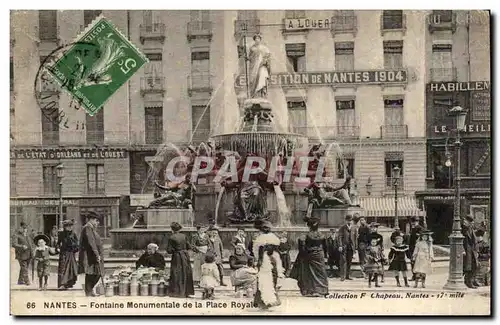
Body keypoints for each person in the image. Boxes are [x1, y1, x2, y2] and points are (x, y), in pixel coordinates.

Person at [290, 216, 329, 297]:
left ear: (309, 226)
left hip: (310, 255)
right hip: (319, 255)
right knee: (321, 273)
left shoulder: (307, 235)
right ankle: (322, 289)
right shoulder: (322, 235)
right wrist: (325, 255)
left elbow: (302, 247)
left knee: (309, 274)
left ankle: (310, 290)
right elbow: (326, 247)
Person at [252, 220, 284, 309]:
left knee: (263, 279)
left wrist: (259, 261)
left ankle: (263, 301)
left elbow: (259, 251)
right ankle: (271, 299)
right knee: (272, 278)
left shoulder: (260, 238)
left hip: (265, 260)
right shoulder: (274, 237)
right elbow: (278, 249)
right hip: (274, 259)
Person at [78, 212, 104, 297]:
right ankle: (88, 291)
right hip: (89, 255)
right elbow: (91, 242)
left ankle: (89, 290)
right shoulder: (87, 228)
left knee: (94, 273)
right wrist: (96, 254)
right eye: (96, 220)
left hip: (91, 254)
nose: (98, 222)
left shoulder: (91, 228)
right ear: (91, 220)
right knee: (93, 273)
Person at [166, 222, 195, 298]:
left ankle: (177, 292)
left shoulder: (171, 237)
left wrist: (174, 250)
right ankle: (186, 292)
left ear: (172, 229)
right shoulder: (184, 236)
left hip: (177, 256)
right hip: (185, 256)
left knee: (176, 273)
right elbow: (189, 246)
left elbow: (169, 250)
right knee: (186, 272)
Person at [57, 219, 79, 290]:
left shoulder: (74, 234)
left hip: (71, 253)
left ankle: (69, 283)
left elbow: (77, 244)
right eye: (68, 226)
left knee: (71, 268)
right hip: (64, 253)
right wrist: (58, 248)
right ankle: (62, 284)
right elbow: (58, 243)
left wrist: (75, 247)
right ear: (65, 227)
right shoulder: (61, 234)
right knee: (63, 268)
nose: (69, 227)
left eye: (71, 226)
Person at [248, 33, 271, 98]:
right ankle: (254, 95)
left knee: (262, 78)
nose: (257, 40)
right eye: (256, 39)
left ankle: (262, 95)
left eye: (258, 38)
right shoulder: (252, 48)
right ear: (254, 40)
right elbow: (250, 58)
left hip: (262, 66)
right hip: (254, 67)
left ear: (260, 40)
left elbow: (268, 57)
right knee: (253, 80)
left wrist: (265, 61)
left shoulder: (264, 48)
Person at [462, 215, 479, 289]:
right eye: (466, 221)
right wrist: (462, 250)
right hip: (466, 250)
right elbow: (460, 240)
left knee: (475, 265)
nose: (466, 223)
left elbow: (474, 240)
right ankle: (468, 281)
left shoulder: (471, 228)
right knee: (467, 267)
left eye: (469, 222)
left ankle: (472, 280)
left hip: (472, 250)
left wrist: (476, 250)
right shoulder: (462, 228)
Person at [337, 215, 355, 281]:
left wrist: (355, 248)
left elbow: (355, 238)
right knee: (343, 261)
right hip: (344, 247)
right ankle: (342, 276)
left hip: (351, 247)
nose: (349, 221)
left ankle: (348, 275)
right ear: (346, 220)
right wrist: (340, 246)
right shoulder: (342, 228)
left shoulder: (354, 228)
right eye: (348, 220)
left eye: (350, 220)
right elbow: (339, 237)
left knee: (349, 261)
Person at [408, 216, 423, 281]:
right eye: (412, 222)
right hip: (412, 247)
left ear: (417, 222)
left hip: (417, 247)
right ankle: (414, 276)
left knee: (418, 262)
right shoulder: (413, 228)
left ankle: (419, 276)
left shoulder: (420, 228)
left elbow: (421, 238)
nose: (413, 223)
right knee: (412, 262)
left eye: (415, 222)